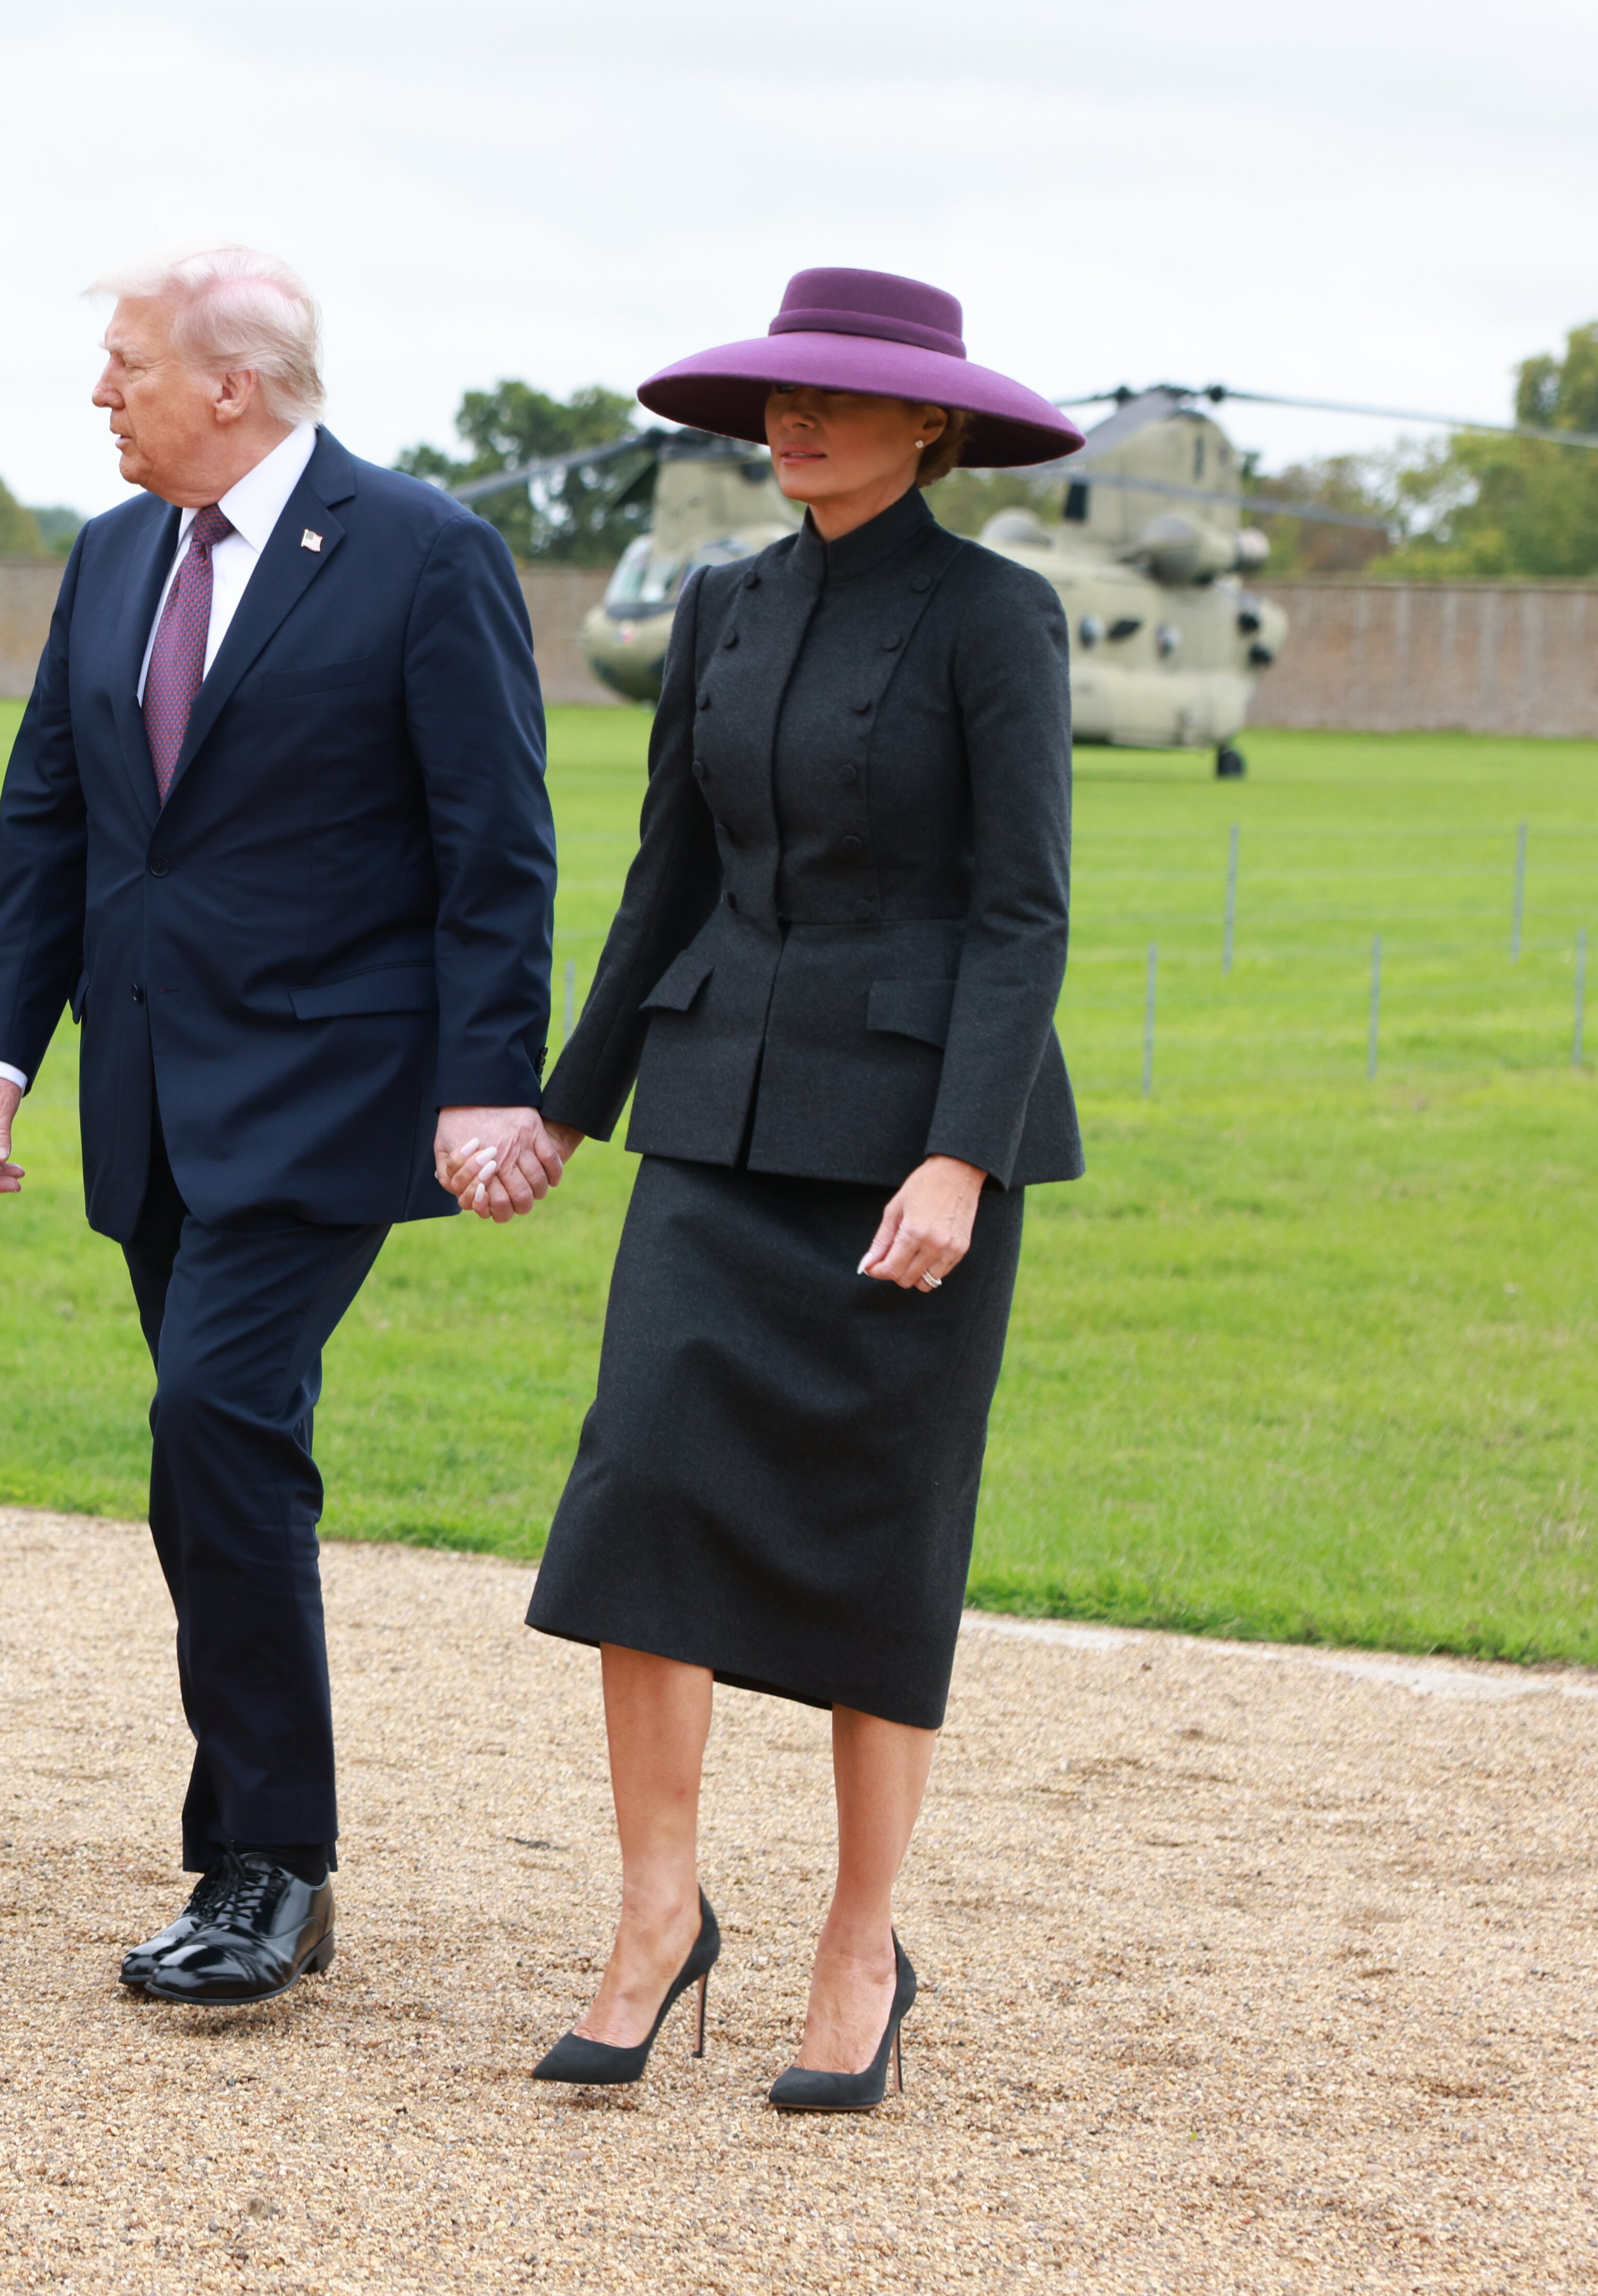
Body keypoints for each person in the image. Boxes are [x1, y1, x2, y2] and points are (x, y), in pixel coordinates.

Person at [0, 246, 562, 2007]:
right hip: (147, 1090)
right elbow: (51, 823)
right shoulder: (112, 553)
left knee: (216, 1413)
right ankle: (247, 1840)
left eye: (123, 364)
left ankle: (271, 1867)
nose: (98, 394)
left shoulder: (421, 552)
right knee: (211, 1455)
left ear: (232, 384)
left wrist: (483, 1078)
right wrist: (2, 1047)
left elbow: (493, 841)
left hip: (328, 1089)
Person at [517, 267, 1086, 2109]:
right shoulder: (721, 608)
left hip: (906, 1153)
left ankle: (860, 1940)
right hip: (712, 1124)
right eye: (778, 397)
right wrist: (564, 1112)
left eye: (836, 401)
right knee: (639, 1508)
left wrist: (959, 1154)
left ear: (929, 427)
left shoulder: (997, 619)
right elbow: (663, 874)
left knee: (873, 1535)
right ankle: (657, 1914)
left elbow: (1019, 911)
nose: (795, 424)